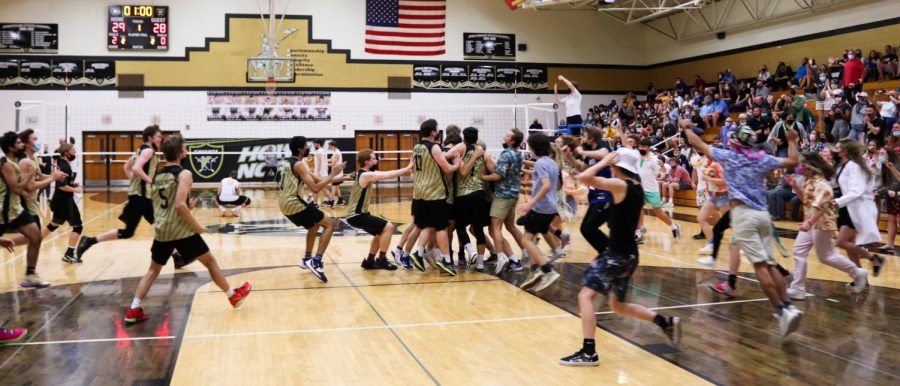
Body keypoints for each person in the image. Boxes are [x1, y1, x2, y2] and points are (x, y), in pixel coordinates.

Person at [560, 148, 681, 366]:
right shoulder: (637, 187)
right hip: (628, 255)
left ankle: (589, 353)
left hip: (616, 255)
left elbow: (584, 178)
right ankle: (664, 321)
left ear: (617, 166)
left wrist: (604, 160)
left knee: (584, 297)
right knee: (618, 306)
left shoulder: (620, 185)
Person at [685, 124, 803, 337]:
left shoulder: (729, 157)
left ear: (735, 142)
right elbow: (793, 161)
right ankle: (789, 306)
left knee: (760, 267)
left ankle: (781, 311)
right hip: (763, 215)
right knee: (770, 263)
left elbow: (697, 143)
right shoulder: (762, 159)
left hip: (743, 216)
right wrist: (793, 141)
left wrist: (686, 127)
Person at [124, 135, 251, 324]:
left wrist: (186, 207)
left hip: (162, 230)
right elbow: (179, 206)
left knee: (153, 270)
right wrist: (197, 225)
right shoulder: (184, 174)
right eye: (185, 148)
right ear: (181, 152)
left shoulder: (157, 175)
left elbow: (163, 205)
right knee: (210, 262)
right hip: (181, 230)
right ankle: (232, 295)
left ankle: (134, 309)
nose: (187, 151)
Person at [77, 125, 185, 267]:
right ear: (150, 137)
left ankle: (177, 257)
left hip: (141, 196)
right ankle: (89, 241)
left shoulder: (139, 151)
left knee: (155, 226)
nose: (161, 138)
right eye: (158, 136)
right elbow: (135, 168)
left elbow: (126, 167)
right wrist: (150, 181)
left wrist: (135, 182)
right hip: (141, 197)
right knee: (150, 227)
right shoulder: (148, 151)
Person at [787, 152, 868, 299]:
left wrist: (809, 222)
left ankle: (857, 272)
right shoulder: (808, 180)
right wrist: (795, 187)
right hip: (810, 222)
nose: (798, 168)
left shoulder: (823, 184)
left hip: (822, 224)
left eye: (801, 165)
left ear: (810, 168)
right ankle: (797, 288)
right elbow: (806, 201)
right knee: (799, 251)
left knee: (826, 256)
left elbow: (821, 208)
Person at [280, 136, 344, 283]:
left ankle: (307, 259)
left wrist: (340, 178)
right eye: (306, 146)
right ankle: (316, 261)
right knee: (330, 224)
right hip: (293, 202)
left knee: (313, 225)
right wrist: (333, 174)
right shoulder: (299, 165)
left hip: (284, 203)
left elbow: (315, 178)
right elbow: (315, 188)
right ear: (300, 149)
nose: (308, 148)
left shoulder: (289, 162)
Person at [407, 119, 460, 275]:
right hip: (434, 193)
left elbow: (414, 170)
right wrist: (457, 163)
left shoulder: (416, 147)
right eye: (436, 130)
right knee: (441, 227)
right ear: (433, 132)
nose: (438, 132)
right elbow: (448, 169)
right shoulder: (434, 147)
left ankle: (418, 252)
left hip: (419, 192)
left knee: (427, 225)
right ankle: (446, 261)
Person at [347, 149, 412, 271]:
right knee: (389, 227)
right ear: (367, 162)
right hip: (357, 215)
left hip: (358, 215)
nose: (377, 161)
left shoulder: (363, 173)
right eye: (374, 159)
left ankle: (369, 261)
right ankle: (381, 260)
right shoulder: (365, 175)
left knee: (380, 233)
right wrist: (408, 167)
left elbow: (386, 172)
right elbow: (387, 175)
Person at [832, 139, 885, 280]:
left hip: (856, 207)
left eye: (837, 148)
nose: (834, 150)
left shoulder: (854, 166)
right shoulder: (841, 166)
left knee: (841, 242)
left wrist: (836, 202)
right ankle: (860, 277)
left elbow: (856, 191)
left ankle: (874, 258)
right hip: (847, 208)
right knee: (850, 247)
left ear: (844, 151)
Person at [517, 133, 562, 292]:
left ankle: (547, 271)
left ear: (534, 147)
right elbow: (556, 186)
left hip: (541, 207)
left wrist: (530, 203)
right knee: (532, 237)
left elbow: (547, 185)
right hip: (550, 206)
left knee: (526, 240)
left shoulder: (541, 163)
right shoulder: (552, 162)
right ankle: (535, 269)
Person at [0, 132, 46, 287]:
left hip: (16, 209)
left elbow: (17, 187)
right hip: (4, 211)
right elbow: (15, 187)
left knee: (36, 237)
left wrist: (25, 192)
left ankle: (30, 274)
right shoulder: (6, 164)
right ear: (11, 147)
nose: (22, 145)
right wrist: (29, 174)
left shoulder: (14, 162)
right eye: (19, 143)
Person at [482, 128, 527, 274]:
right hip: (514, 195)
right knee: (511, 227)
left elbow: (498, 176)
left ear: (512, 141)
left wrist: (482, 177)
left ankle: (501, 257)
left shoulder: (506, 154)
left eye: (507, 135)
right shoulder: (518, 154)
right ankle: (526, 253)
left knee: (494, 228)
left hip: (503, 195)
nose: (504, 135)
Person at [451, 127, 489, 271]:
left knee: (460, 227)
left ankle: (471, 252)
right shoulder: (483, 153)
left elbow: (463, 172)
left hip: (464, 194)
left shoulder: (461, 151)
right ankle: (480, 263)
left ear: (463, 138)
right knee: (478, 229)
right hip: (479, 194)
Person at [635, 138, 681, 242]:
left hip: (651, 189)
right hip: (640, 188)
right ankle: (639, 233)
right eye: (640, 146)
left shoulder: (654, 159)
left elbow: (663, 171)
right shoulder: (637, 155)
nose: (641, 148)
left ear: (648, 147)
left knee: (658, 213)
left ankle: (674, 226)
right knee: (638, 210)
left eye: (644, 147)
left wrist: (662, 165)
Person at [47, 144, 84, 263]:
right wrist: (75, 190)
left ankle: (34, 240)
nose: (75, 151)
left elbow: (65, 182)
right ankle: (69, 254)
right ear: (66, 153)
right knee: (78, 227)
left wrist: (74, 185)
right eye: (73, 150)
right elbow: (61, 186)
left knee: (54, 225)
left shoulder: (64, 164)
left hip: (60, 201)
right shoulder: (64, 166)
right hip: (64, 202)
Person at [327, 141, 345, 207]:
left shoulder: (337, 153)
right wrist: (323, 159)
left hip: (337, 173)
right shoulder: (335, 152)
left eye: (329, 145)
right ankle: (340, 200)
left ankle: (330, 201)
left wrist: (324, 165)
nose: (328, 147)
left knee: (333, 187)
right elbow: (330, 160)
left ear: (333, 146)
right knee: (337, 187)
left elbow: (333, 163)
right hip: (335, 172)